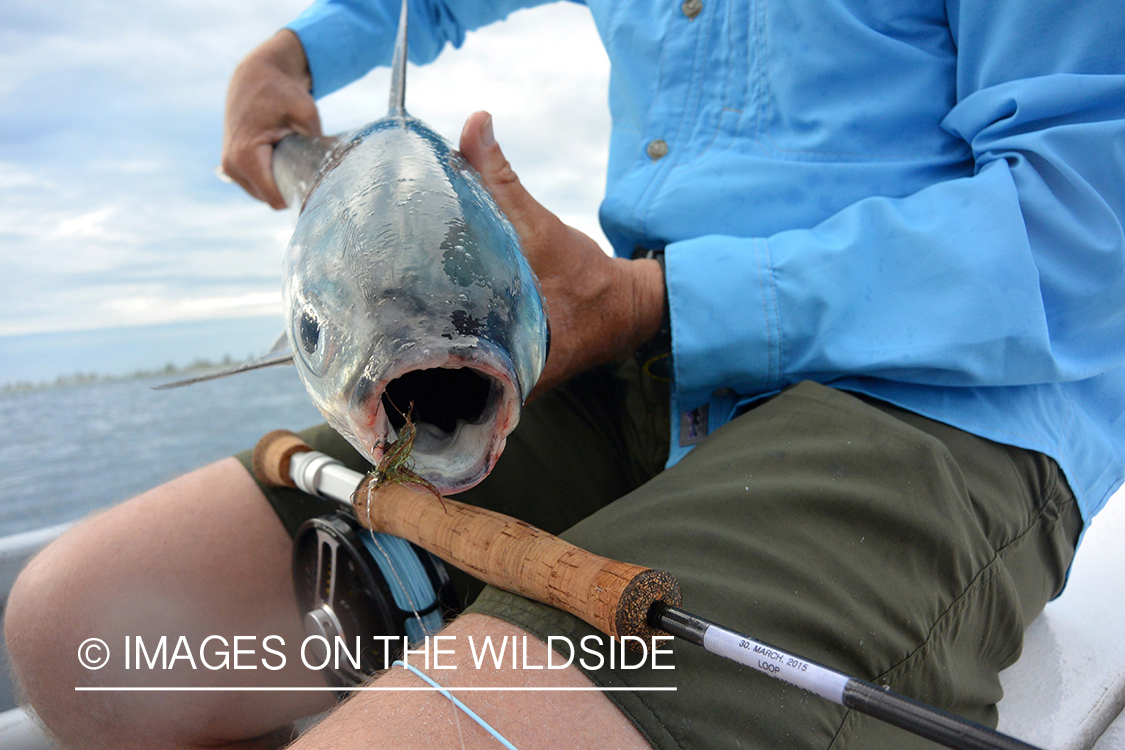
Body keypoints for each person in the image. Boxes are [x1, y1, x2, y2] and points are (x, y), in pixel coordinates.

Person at [6, 0, 1124, 748]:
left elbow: (1092, 221)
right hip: (623, 356)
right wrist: (290, 55)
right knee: (82, 635)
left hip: (932, 400)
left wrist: (656, 297)